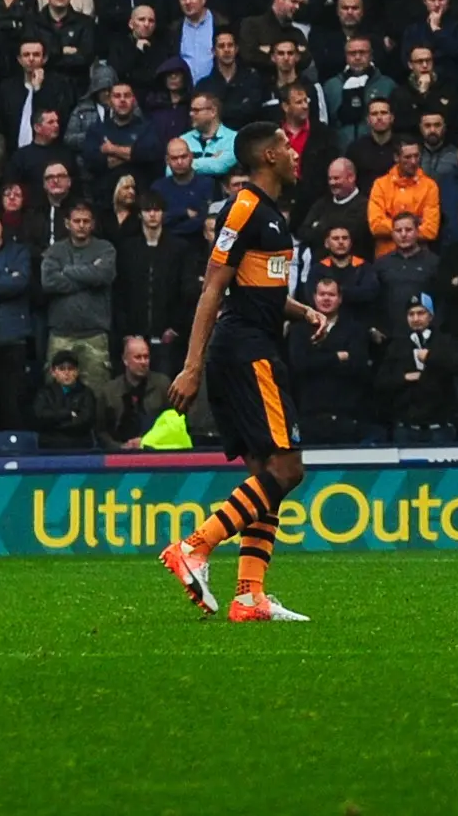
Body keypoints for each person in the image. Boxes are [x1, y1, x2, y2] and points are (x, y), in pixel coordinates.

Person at [156, 128, 320, 623]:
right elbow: (214, 287)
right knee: (288, 469)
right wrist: (190, 366)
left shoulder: (271, 215)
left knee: (266, 473)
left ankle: (250, 596)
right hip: (247, 351)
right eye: (287, 148)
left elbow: (260, 291)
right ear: (268, 156)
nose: (295, 155)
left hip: (255, 342)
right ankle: (194, 546)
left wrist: (302, 312)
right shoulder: (244, 207)